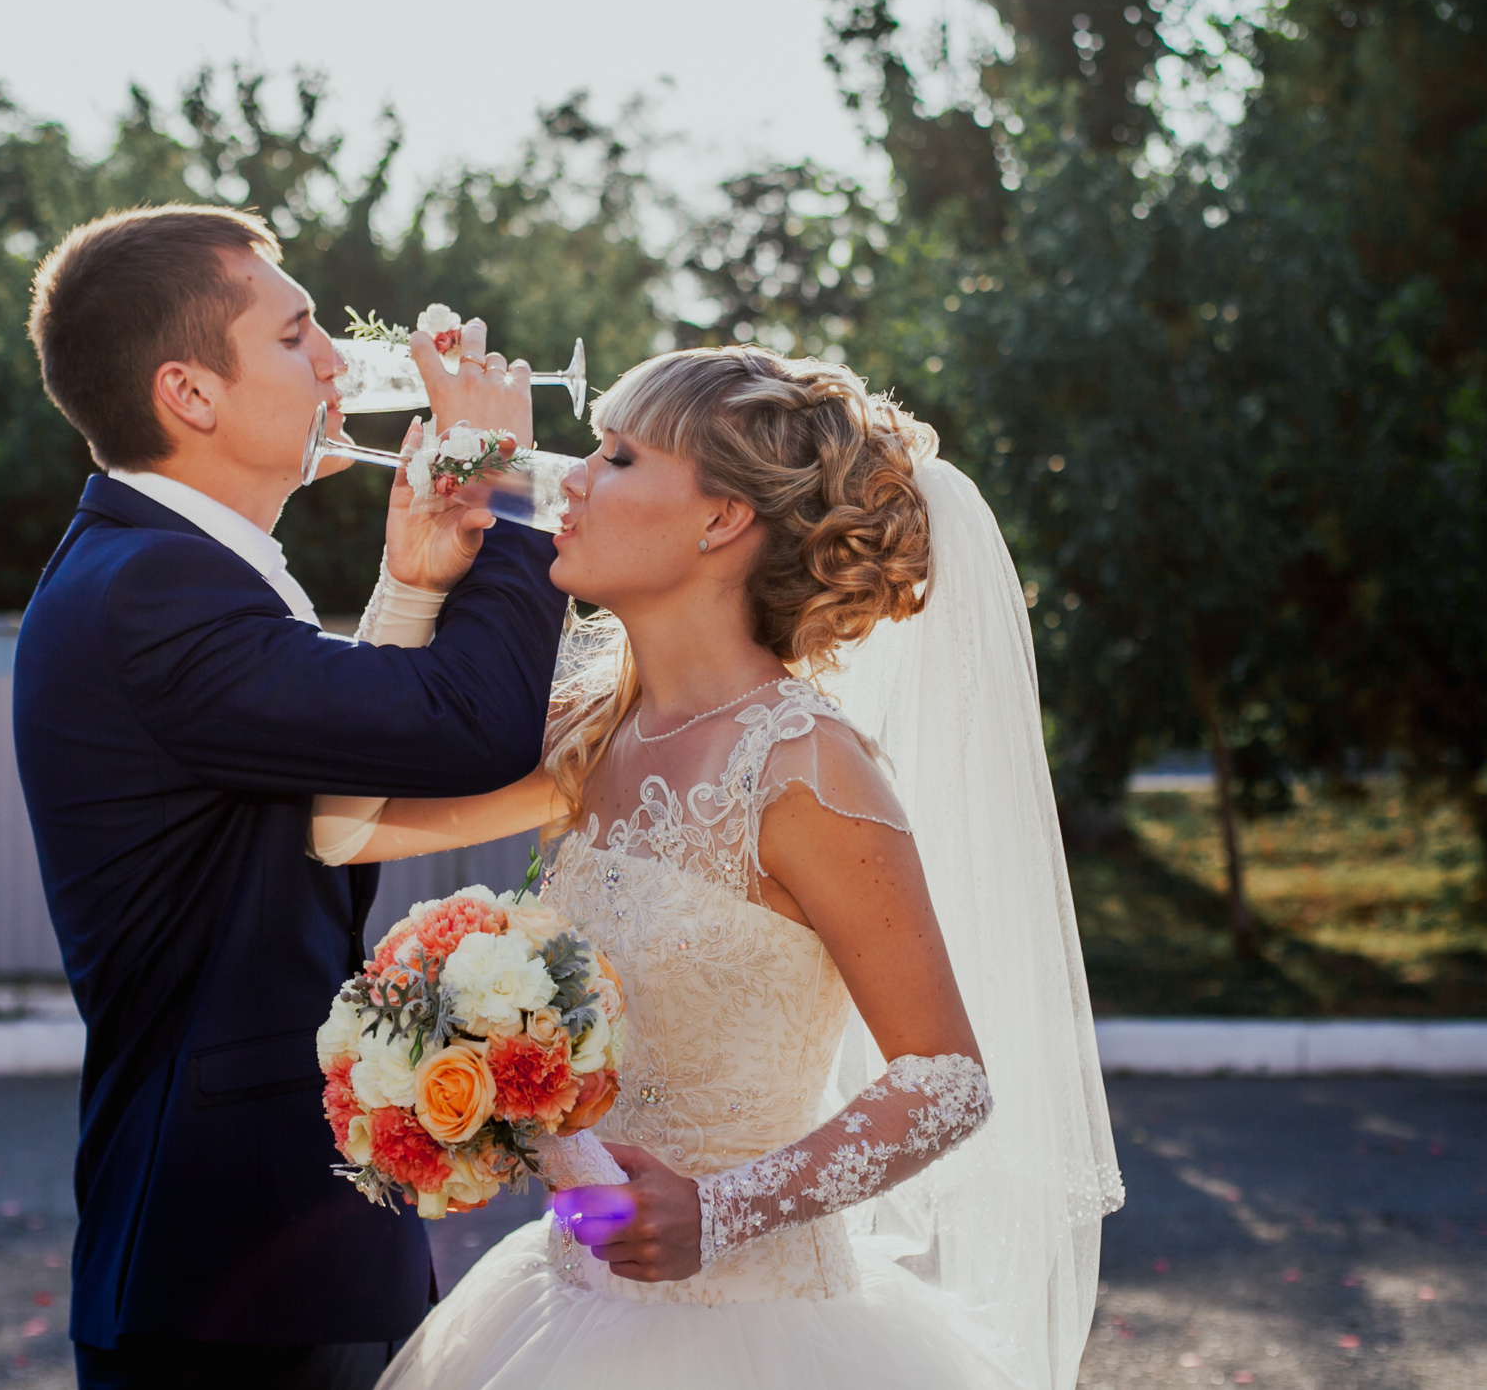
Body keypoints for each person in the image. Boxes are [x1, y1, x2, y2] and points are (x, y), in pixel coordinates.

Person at [321, 346, 1125, 1390]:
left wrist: (719, 1211)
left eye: (615, 457)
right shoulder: (588, 732)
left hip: (763, 1337)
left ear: (720, 521)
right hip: (570, 1318)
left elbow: (946, 1081)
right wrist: (410, 584)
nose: (569, 476)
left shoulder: (804, 766)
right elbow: (345, 823)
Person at [12, 204, 568, 1390]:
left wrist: (409, 584)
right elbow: (468, 727)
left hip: (239, 1268)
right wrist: (506, 483)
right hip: (241, 1276)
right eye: (295, 333)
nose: (336, 363)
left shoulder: (149, 571)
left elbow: (333, 806)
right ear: (189, 394)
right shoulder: (152, 588)